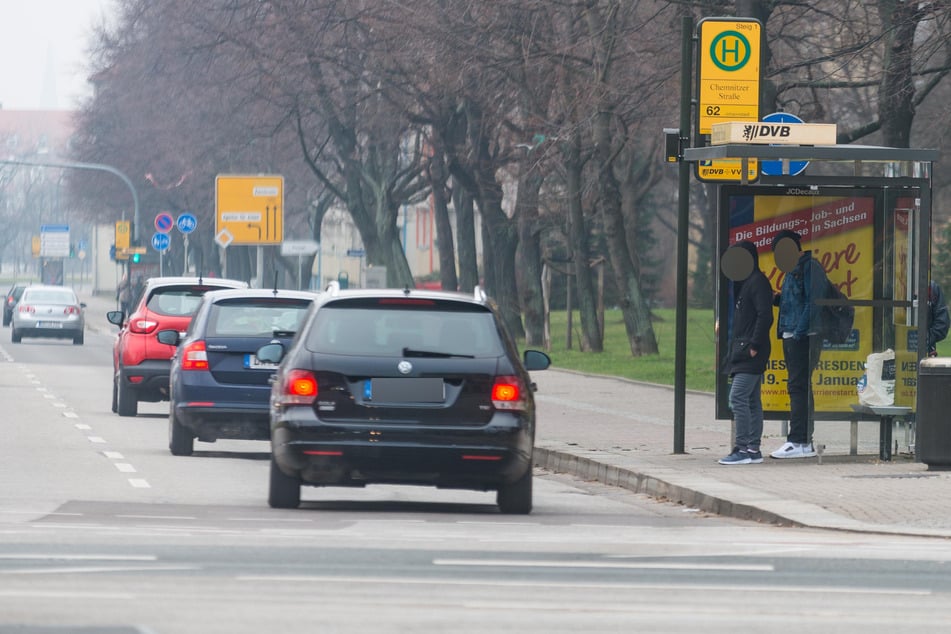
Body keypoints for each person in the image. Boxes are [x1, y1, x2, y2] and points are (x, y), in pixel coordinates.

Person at [770, 229, 825, 459]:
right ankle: (803, 440)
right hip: (793, 334)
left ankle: (799, 440)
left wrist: (800, 332)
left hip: (802, 336)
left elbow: (813, 302)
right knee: (800, 386)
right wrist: (774, 298)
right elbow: (795, 301)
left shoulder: (809, 267)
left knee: (798, 386)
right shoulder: (794, 270)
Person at [718, 241, 774, 465]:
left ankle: (742, 449)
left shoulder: (757, 282)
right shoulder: (747, 283)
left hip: (751, 351)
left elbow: (765, 315)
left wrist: (755, 345)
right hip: (745, 350)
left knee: (737, 397)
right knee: (751, 400)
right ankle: (753, 449)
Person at [928, 280, 949, 357]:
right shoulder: (896, 286)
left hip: (926, 353)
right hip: (894, 353)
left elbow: (942, 325)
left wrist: (925, 339)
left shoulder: (931, 288)